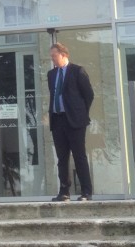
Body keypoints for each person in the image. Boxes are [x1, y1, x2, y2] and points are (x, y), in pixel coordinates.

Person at [47, 43, 94, 202]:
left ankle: (86, 191)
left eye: (54, 55)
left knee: (79, 156)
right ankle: (64, 191)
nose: (52, 58)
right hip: (57, 119)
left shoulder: (77, 71)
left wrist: (80, 113)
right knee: (62, 158)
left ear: (63, 54)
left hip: (74, 120)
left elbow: (88, 95)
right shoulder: (51, 74)